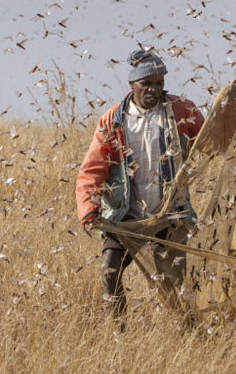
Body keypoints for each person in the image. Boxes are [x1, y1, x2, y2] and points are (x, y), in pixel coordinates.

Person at [75, 49, 204, 322]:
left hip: (168, 214)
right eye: (147, 84)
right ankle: (118, 334)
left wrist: (229, 107)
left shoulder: (182, 110)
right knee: (110, 271)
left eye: (159, 83)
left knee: (175, 287)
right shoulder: (113, 120)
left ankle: (190, 336)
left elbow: (211, 140)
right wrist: (89, 209)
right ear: (132, 84)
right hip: (125, 217)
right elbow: (92, 170)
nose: (154, 90)